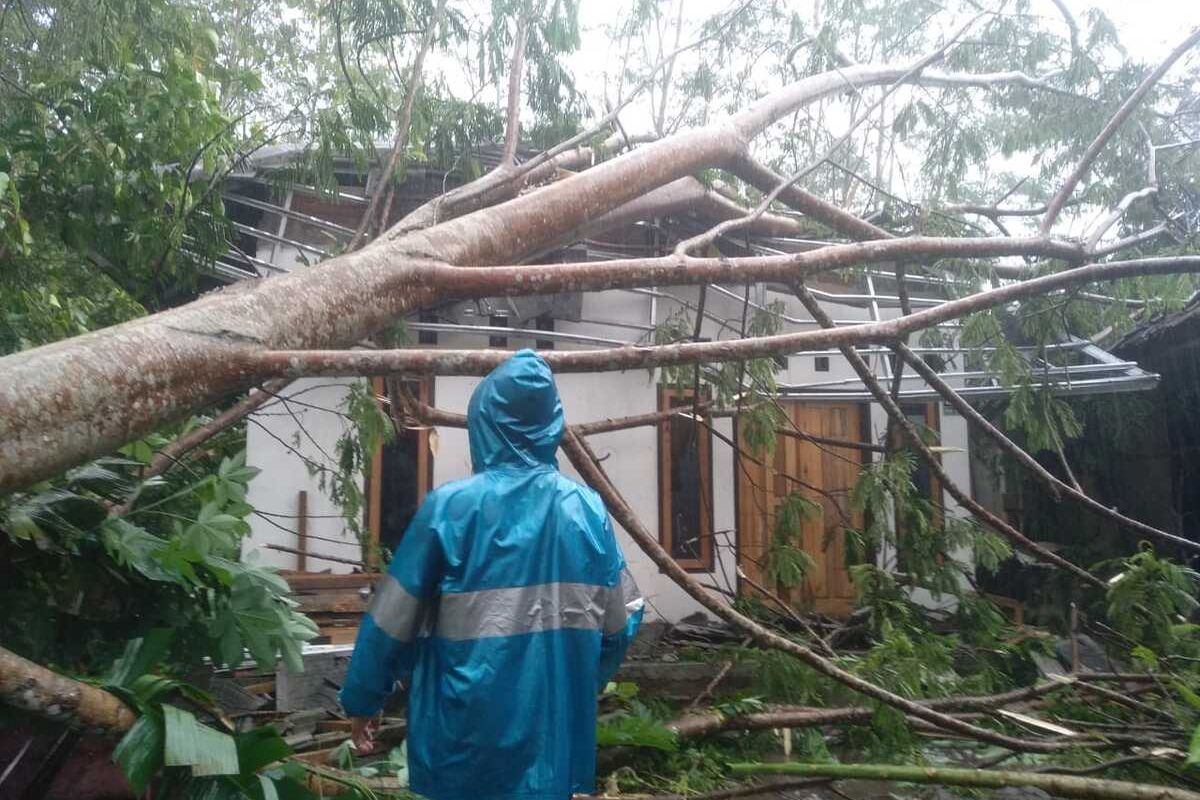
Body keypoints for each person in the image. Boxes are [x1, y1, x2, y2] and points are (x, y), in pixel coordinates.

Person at [339, 349, 644, 800]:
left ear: (483, 424)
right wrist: (575, 682)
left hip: (460, 752)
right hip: (554, 753)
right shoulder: (587, 511)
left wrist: (363, 701)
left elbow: (389, 625)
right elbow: (622, 623)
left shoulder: (449, 510)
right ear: (551, 425)